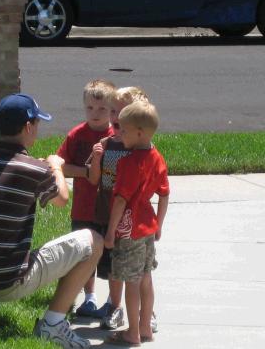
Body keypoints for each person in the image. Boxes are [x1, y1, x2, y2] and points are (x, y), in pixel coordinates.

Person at [0, 93, 103, 349]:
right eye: (37, 124)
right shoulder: (34, 169)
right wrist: (56, 166)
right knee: (94, 241)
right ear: (27, 127)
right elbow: (61, 199)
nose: (37, 129)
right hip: (9, 282)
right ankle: (53, 324)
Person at [103, 100, 170, 346]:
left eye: (124, 129)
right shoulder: (157, 158)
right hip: (148, 228)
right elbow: (164, 194)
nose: (119, 133)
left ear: (139, 133)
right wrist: (159, 224)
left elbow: (120, 201)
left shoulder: (129, 163)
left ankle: (132, 333)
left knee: (131, 282)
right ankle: (145, 328)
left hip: (128, 230)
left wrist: (110, 232)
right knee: (145, 277)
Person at [87, 87, 150, 330]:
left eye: (121, 112)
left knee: (140, 270)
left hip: (134, 220)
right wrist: (95, 158)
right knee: (113, 267)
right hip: (106, 213)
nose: (114, 117)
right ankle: (115, 307)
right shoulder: (106, 144)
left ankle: (147, 313)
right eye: (113, 111)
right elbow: (94, 180)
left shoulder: (141, 148)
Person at [56, 79, 115, 317]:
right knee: (85, 256)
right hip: (82, 209)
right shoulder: (77, 135)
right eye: (90, 108)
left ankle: (113, 300)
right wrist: (85, 172)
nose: (96, 114)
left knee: (111, 258)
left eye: (102, 109)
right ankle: (89, 297)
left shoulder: (117, 137)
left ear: (112, 110)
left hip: (109, 209)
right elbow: (61, 164)